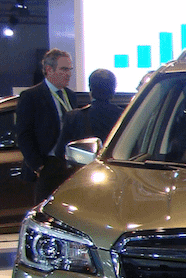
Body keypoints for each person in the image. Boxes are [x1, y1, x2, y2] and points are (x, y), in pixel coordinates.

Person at [15, 49, 81, 202]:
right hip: (47, 164)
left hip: (70, 164)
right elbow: (24, 134)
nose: (69, 74)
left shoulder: (70, 95)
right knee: (46, 208)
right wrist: (38, 166)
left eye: (70, 69)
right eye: (64, 69)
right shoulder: (31, 96)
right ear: (49, 70)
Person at [55, 68, 122, 152]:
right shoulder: (124, 116)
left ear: (90, 89)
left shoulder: (73, 117)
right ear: (113, 90)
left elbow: (60, 151)